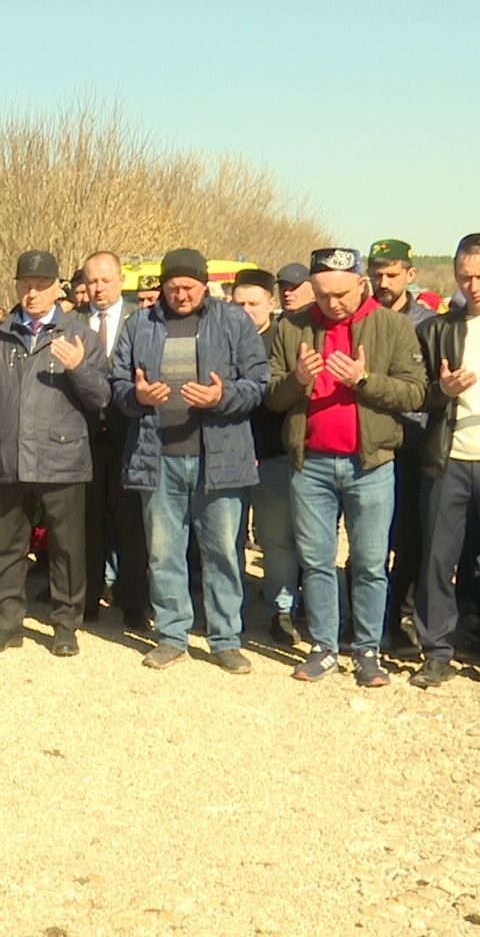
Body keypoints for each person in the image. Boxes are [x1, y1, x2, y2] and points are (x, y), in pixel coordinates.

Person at [264, 247, 426, 684]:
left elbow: (415, 394)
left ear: (361, 284)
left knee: (371, 562)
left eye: (340, 294)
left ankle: (367, 649)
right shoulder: (293, 326)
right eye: (321, 294)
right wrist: (297, 380)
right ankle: (323, 647)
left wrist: (364, 381)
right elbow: (273, 397)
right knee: (315, 561)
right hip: (310, 463)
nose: (332, 303)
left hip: (370, 465)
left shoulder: (392, 326)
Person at [109, 248, 268, 673]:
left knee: (222, 553)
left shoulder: (233, 321)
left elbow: (258, 382)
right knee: (163, 552)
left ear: (205, 286)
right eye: (173, 287)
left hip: (220, 455)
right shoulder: (139, 323)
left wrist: (223, 397)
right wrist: (136, 397)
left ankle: (225, 638)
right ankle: (171, 634)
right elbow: (117, 382)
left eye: (189, 287)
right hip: (156, 455)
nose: (180, 295)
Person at [0, 250, 109, 656]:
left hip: (61, 459)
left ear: (58, 288)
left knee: (65, 548)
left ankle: (65, 625)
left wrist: (79, 366)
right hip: (8, 456)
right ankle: (8, 621)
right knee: (7, 546)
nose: (32, 294)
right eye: (25, 285)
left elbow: (102, 397)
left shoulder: (80, 335)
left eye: (41, 286)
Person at [410, 233, 480, 690]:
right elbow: (414, 392)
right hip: (449, 456)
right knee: (436, 559)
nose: (474, 285)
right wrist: (440, 392)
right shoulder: (436, 329)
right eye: (465, 276)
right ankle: (436, 650)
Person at [370, 238, 440, 650]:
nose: (383, 281)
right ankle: (367, 617)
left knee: (410, 538)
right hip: (369, 442)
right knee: (368, 540)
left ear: (410, 275)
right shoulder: (361, 319)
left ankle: (399, 613)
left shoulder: (428, 325)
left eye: (391, 274)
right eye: (376, 274)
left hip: (413, 445)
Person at [78, 251, 152, 630]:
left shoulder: (142, 321)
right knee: (86, 521)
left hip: (130, 436)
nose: (98, 288)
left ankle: (134, 601)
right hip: (84, 437)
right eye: (92, 281)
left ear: (121, 279)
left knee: (131, 523)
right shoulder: (74, 323)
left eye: (106, 280)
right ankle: (87, 598)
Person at [230, 270, 301, 643]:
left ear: (271, 304)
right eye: (238, 303)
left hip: (273, 454)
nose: (244, 311)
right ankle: (229, 611)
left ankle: (281, 610)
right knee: (228, 539)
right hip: (229, 455)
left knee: (277, 541)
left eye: (252, 303)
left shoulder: (283, 340)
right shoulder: (223, 339)